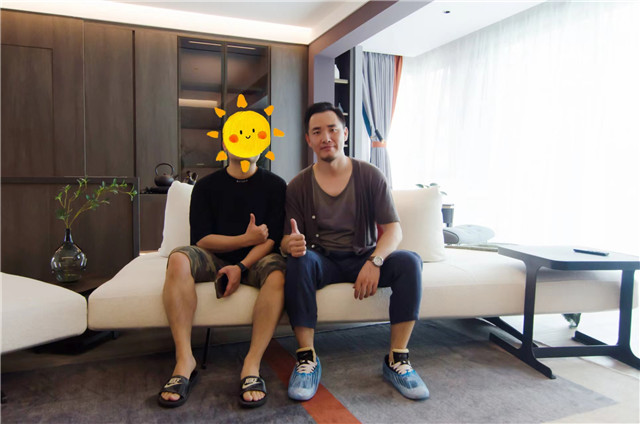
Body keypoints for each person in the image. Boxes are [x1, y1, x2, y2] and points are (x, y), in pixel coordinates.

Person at [280, 102, 429, 401]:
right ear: (308, 139)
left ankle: (397, 359)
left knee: (410, 262)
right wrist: (289, 244)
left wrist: (375, 261)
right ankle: (307, 358)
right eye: (317, 132)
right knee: (298, 262)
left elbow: (394, 230)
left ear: (345, 133)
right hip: (322, 259)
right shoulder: (297, 185)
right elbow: (286, 239)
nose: (326, 138)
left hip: (364, 257)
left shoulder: (370, 175)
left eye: (332, 129)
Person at [158, 148, 286, 409]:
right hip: (213, 255)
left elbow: (272, 240)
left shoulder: (276, 185)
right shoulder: (206, 186)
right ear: (226, 144)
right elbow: (202, 240)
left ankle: (252, 364)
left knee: (278, 273)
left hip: (256, 259)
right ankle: (184, 360)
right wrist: (245, 239)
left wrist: (241, 266)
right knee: (179, 258)